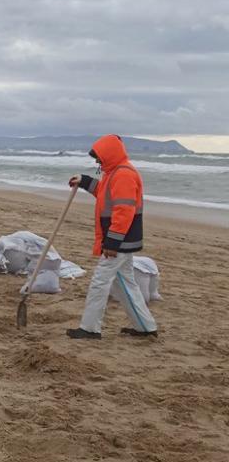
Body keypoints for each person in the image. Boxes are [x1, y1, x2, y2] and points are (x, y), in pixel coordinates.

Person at [67, 134, 158, 339]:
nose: (97, 161)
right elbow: (103, 193)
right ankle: (145, 327)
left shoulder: (123, 174)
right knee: (126, 282)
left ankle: (90, 329)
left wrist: (112, 242)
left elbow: (123, 211)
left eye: (99, 157)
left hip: (120, 241)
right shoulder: (113, 172)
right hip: (121, 240)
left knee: (100, 281)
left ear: (109, 155)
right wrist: (84, 181)